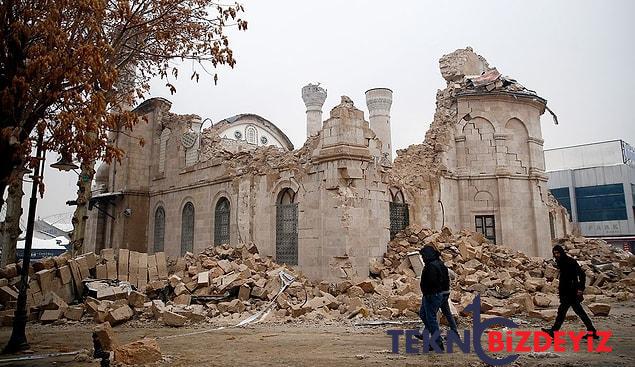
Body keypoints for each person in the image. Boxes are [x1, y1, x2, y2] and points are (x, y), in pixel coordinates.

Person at [541, 245, 599, 339]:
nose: (557, 255)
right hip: (566, 292)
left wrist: (581, 288)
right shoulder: (561, 262)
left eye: (558, 253)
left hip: (571, 292)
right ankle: (592, 331)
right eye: (555, 253)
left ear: (562, 252)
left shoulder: (570, 261)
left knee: (565, 312)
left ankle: (554, 331)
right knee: (574, 312)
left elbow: (582, 275)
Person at [417, 245, 450, 350]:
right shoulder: (438, 264)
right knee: (424, 315)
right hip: (434, 294)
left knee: (430, 318)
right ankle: (435, 338)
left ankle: (437, 341)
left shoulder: (431, 266)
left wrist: (428, 292)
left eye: (423, 256)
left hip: (431, 295)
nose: (422, 258)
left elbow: (432, 282)